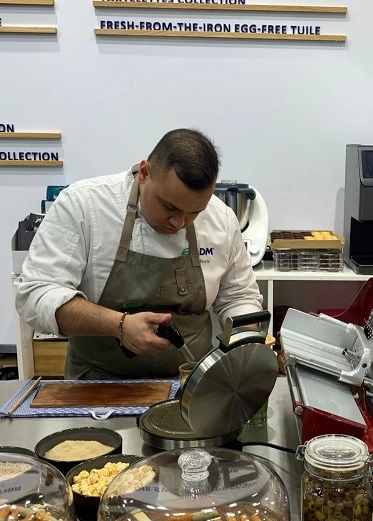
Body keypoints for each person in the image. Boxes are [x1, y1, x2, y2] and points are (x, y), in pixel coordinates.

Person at [15, 128, 263, 379]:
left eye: (194, 213)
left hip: (192, 382)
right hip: (97, 383)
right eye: (169, 207)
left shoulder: (221, 219)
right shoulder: (84, 206)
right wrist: (118, 325)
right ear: (144, 173)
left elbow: (238, 297)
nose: (179, 223)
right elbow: (36, 294)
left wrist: (243, 351)